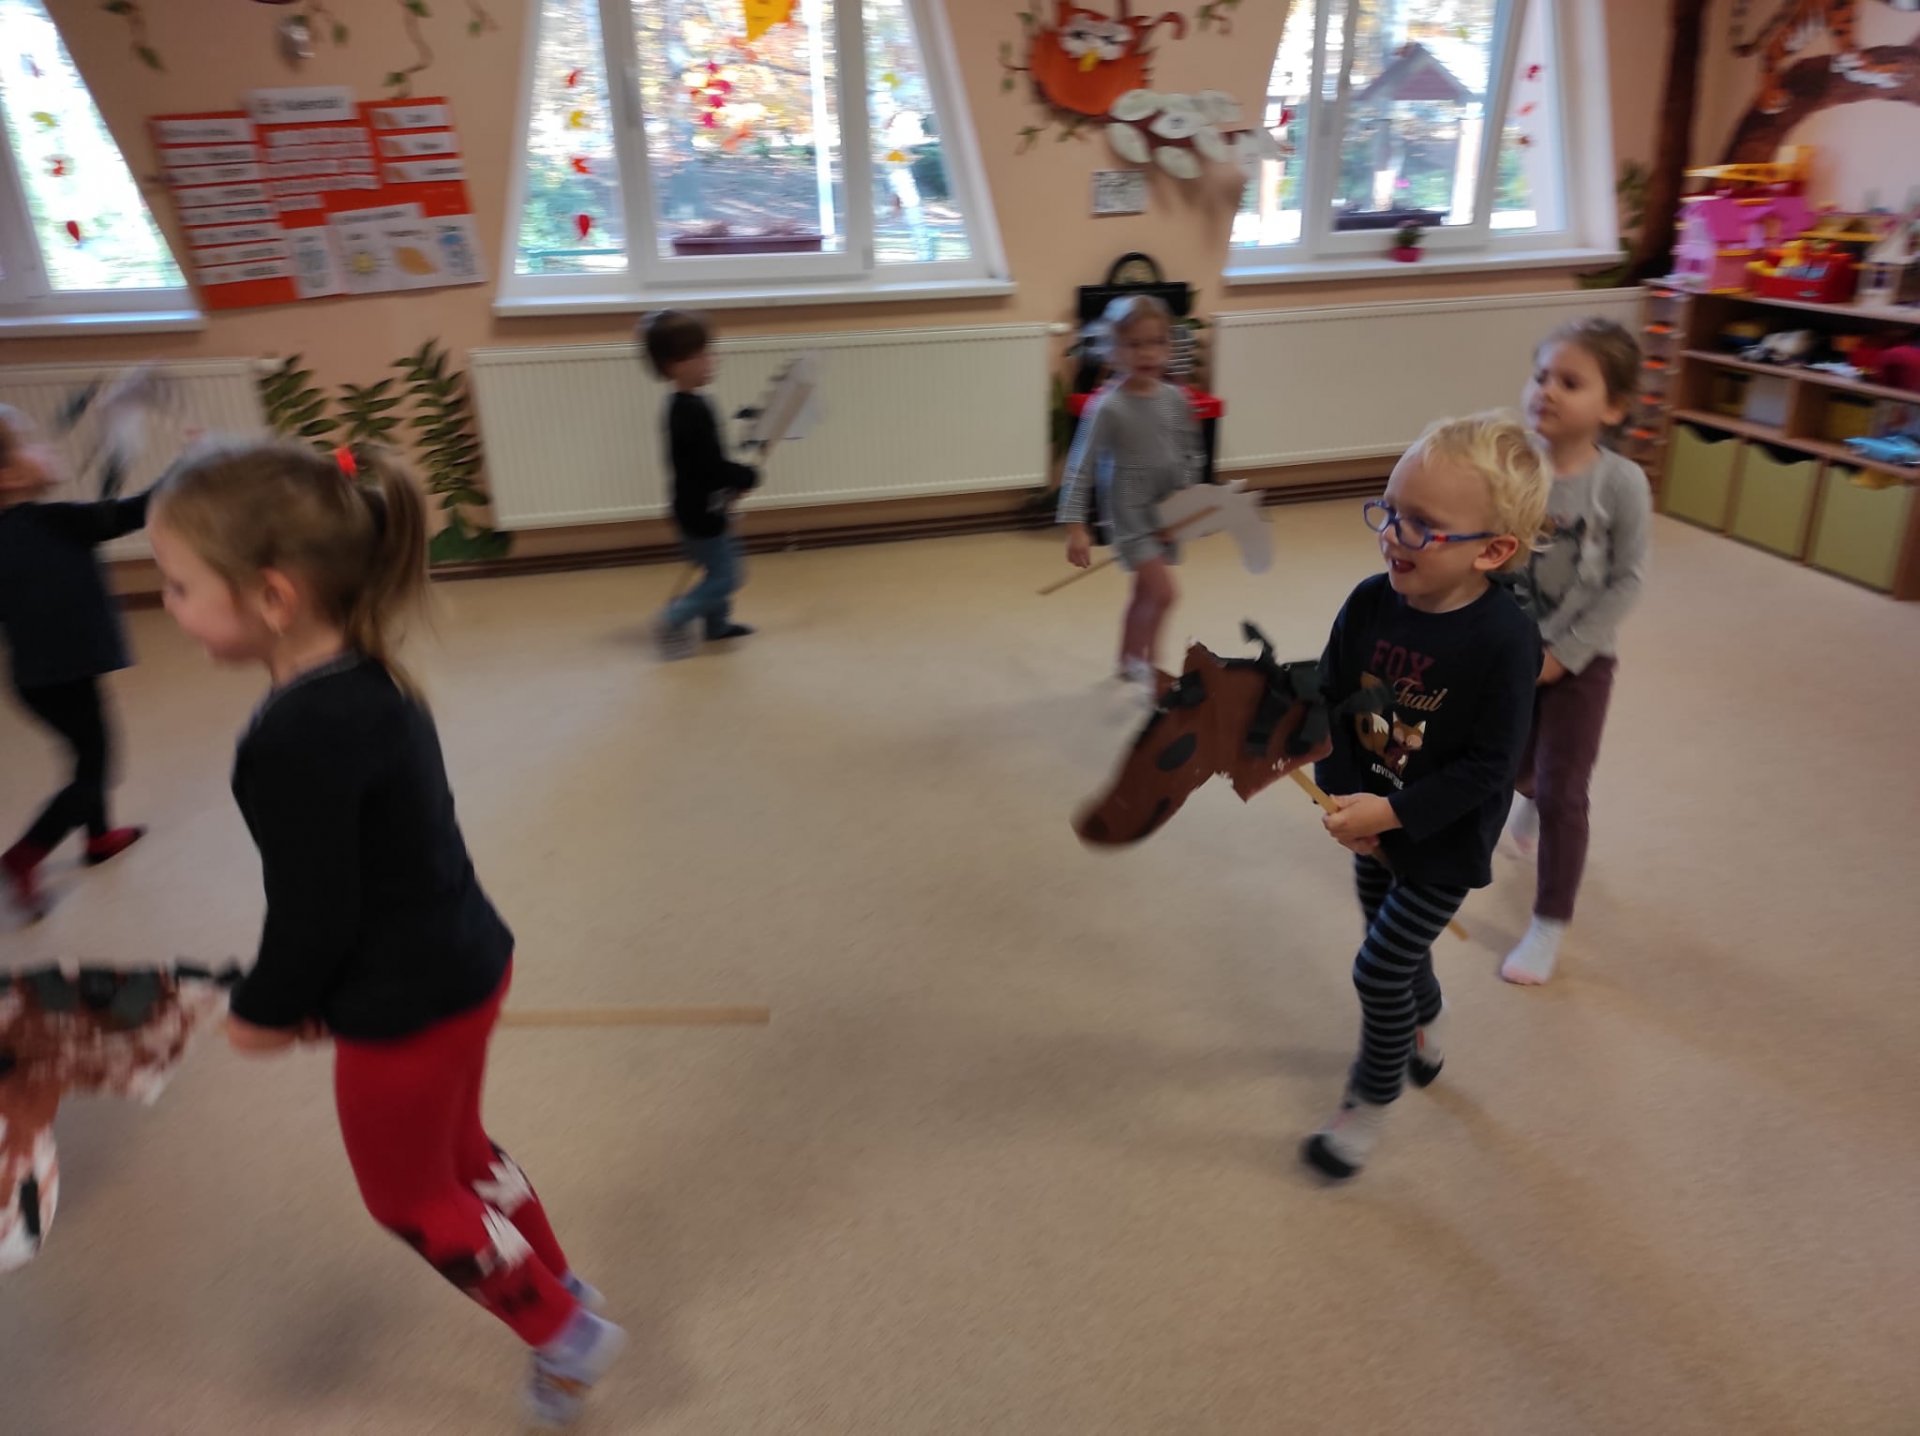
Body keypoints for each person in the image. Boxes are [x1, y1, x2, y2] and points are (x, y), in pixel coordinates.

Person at [146, 440, 623, 1428]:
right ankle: (563, 1284)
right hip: (466, 960)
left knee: (411, 1198)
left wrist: (267, 1010)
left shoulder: (290, 737)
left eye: (179, 584)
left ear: (274, 595)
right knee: (465, 1156)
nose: (165, 602)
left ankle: (563, 1332)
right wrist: (324, 995)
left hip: (404, 1005)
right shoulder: (374, 675)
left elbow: (314, 910)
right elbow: (376, 870)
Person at [1306, 413, 1549, 1180]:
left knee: (1377, 969)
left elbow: (1489, 767)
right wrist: (1345, 799)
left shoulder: (1505, 640)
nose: (1392, 535)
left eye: (1420, 524)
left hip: (1443, 841)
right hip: (1370, 819)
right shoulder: (1368, 604)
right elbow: (1333, 700)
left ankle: (1371, 1096)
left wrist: (1394, 812)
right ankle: (1427, 1015)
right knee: (1393, 943)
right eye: (1388, 510)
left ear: (1492, 550)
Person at [1502, 319, 1652, 986]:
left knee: (1565, 789)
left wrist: (1566, 654)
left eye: (1570, 381)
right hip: (1508, 654)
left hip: (1581, 664)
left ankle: (1548, 923)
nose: (1548, 391)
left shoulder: (1620, 484)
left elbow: (1629, 581)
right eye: (1541, 376)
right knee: (1510, 766)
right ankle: (1528, 792)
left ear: (1612, 407)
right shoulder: (1509, 469)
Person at [0, 405, 147, 921]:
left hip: (36, 679)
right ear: (10, 476)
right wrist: (191, 468)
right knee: (96, 767)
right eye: (31, 444)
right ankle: (26, 853)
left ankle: (99, 837)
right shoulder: (56, 520)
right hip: (68, 671)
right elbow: (133, 512)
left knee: (88, 752)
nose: (47, 449)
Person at [1058, 294, 1202, 697]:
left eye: (1156, 342)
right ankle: (1153, 667)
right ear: (1113, 349)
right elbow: (1081, 466)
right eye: (1134, 344)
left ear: (1169, 346)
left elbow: (1191, 452)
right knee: (1165, 593)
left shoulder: (1175, 399)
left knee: (1144, 592)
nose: (1147, 353)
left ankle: (1127, 660)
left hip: (1165, 511)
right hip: (1130, 514)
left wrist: (1185, 508)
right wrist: (1075, 528)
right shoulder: (1108, 407)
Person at [640, 310, 760, 660]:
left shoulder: (689, 404)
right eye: (701, 354)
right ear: (675, 366)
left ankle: (716, 625)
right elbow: (708, 466)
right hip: (699, 513)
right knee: (727, 576)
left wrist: (728, 485)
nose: (712, 360)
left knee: (720, 565)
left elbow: (707, 464)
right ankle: (673, 618)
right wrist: (743, 476)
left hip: (704, 505)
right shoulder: (689, 412)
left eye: (710, 351)